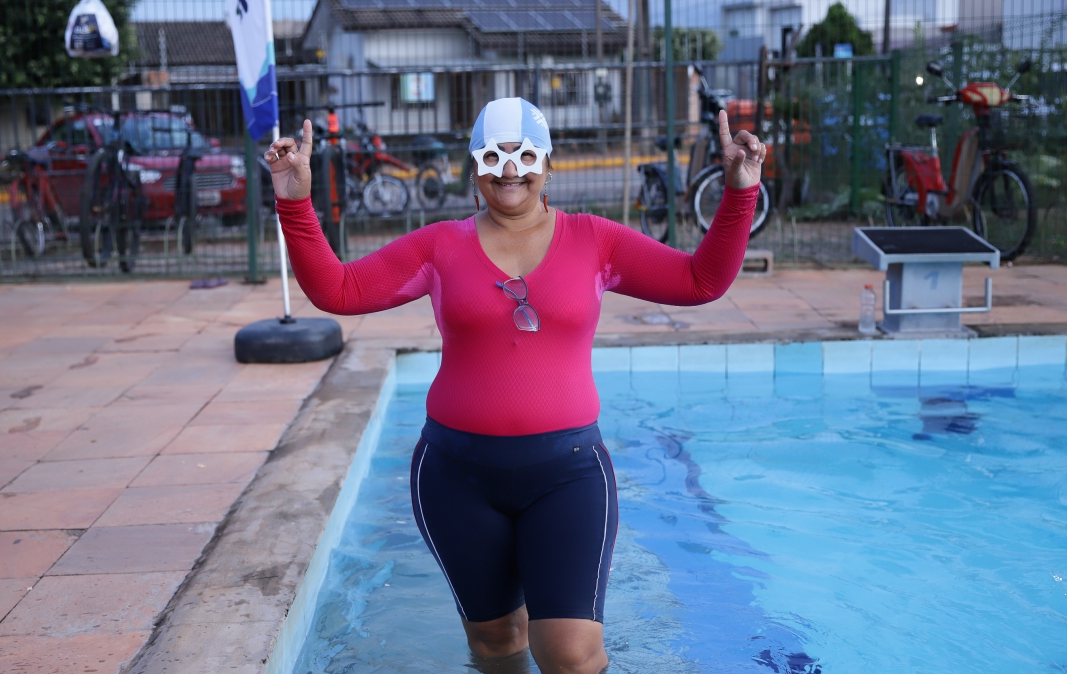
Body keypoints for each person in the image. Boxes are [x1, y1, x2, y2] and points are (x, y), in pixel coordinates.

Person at [265, 98, 764, 674]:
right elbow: (340, 290)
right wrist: (294, 201)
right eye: (493, 156)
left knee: (572, 655)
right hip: (455, 476)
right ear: (473, 168)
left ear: (547, 165)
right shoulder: (439, 246)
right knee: (496, 643)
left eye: (524, 156)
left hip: (568, 474)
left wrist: (740, 191)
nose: (509, 171)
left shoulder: (595, 240)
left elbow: (700, 281)